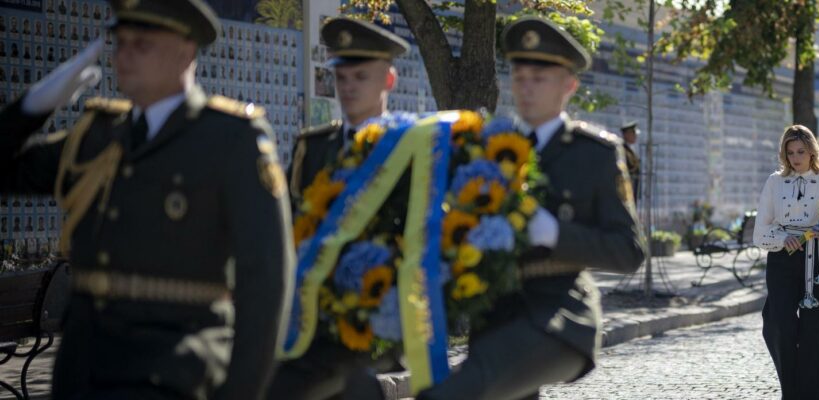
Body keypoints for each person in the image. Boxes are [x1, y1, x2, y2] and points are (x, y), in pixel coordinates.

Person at [0, 0, 294, 398]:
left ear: (185, 51)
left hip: (175, 375)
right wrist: (36, 104)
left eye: (142, 43)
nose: (125, 54)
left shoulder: (231, 140)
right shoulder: (95, 138)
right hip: (83, 374)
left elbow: (266, 281)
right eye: (121, 42)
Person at [404, 17, 646, 400]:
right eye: (520, 78)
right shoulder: (486, 149)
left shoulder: (594, 153)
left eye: (540, 78)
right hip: (494, 315)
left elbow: (629, 251)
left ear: (569, 85)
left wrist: (552, 233)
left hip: (559, 316)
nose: (527, 88)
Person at [267, 17, 409, 400]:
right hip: (312, 310)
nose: (347, 88)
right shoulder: (314, 146)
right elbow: (291, 221)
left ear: (388, 81)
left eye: (360, 77)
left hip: (380, 315)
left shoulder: (411, 150)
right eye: (341, 78)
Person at [753, 125, 819, 400]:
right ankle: (792, 391)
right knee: (777, 324)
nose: (796, 157)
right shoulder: (774, 182)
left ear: (812, 152)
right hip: (782, 257)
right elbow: (759, 233)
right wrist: (782, 237)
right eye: (790, 152)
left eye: (801, 151)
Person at [620, 121, 641, 201]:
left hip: (632, 187)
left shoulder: (629, 150)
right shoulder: (623, 149)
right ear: (627, 134)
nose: (635, 136)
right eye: (633, 134)